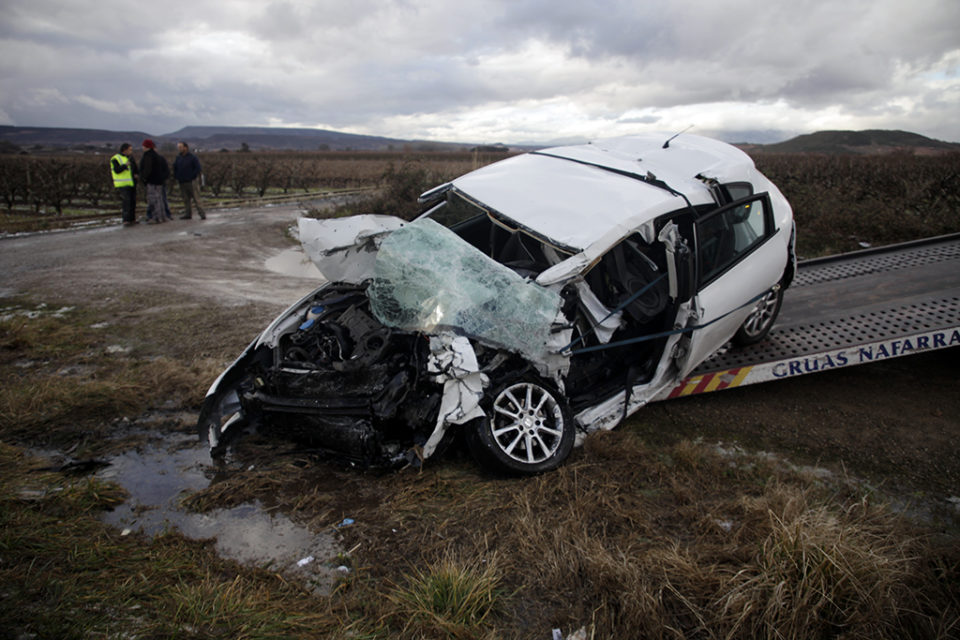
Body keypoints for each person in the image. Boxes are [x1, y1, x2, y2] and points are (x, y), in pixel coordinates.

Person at [173, 141, 206, 219]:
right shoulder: (178, 158)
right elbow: (175, 168)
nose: (179, 149)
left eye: (181, 147)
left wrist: (192, 176)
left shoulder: (192, 157)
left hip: (191, 181)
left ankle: (202, 214)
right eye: (178, 147)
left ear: (185, 147)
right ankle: (188, 214)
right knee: (185, 199)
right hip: (182, 181)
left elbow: (198, 168)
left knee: (196, 198)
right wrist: (177, 176)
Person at [139, 139, 170, 224]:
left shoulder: (148, 156)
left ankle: (156, 217)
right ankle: (162, 216)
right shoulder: (157, 156)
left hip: (152, 181)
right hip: (159, 181)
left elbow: (147, 169)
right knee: (159, 199)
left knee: (153, 200)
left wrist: (143, 178)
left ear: (146, 146)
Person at [110, 143, 139, 226]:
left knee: (132, 201)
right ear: (124, 150)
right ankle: (126, 219)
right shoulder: (115, 158)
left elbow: (135, 168)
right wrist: (124, 166)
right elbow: (116, 170)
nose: (131, 151)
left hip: (131, 183)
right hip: (122, 184)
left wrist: (136, 174)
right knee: (126, 202)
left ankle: (132, 219)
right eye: (130, 150)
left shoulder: (130, 158)